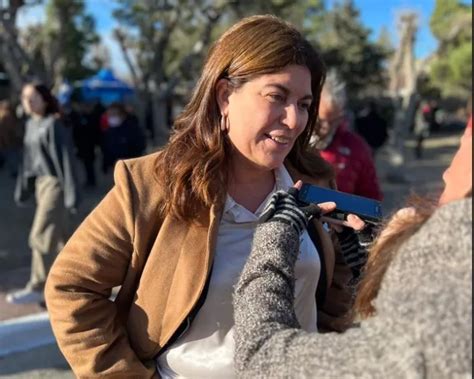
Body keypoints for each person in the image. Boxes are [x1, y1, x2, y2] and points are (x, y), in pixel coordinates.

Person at [45, 15, 362, 378]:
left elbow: (333, 292)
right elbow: (71, 286)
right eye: (277, 96)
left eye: (304, 104)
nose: (294, 120)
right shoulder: (153, 184)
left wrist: (353, 274)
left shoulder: (313, 181)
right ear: (225, 95)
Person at [233, 118, 472, 378]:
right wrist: (371, 265)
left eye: (464, 146)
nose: (445, 174)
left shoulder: (437, 334)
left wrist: (277, 233)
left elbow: (263, 356)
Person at [6, 82, 79, 305]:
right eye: (25, 97)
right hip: (40, 185)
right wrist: (25, 188)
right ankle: (77, 287)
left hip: (56, 185)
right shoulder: (30, 125)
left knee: (41, 234)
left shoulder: (53, 125)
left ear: (45, 99)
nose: (28, 102)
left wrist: (71, 193)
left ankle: (38, 286)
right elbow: (29, 160)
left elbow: (66, 161)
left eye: (33, 97)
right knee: (65, 241)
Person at [312, 71, 383, 200]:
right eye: (320, 120)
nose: (326, 127)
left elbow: (371, 198)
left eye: (333, 121)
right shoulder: (291, 141)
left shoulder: (356, 147)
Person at [101, 102, 146, 173]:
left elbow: (140, 145)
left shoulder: (132, 128)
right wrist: (106, 165)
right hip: (115, 167)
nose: (111, 118)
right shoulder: (109, 131)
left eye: (114, 114)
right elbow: (106, 149)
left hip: (131, 166)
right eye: (110, 115)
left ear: (122, 115)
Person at [0, 99, 23, 177]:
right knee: (11, 156)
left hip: (7, 142)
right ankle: (14, 171)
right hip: (8, 142)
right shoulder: (6, 116)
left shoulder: (5, 115)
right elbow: (5, 132)